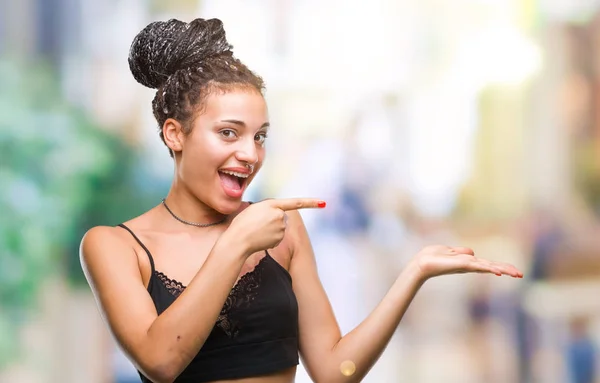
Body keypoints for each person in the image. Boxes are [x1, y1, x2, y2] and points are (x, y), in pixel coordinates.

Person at [80, 17, 524, 383]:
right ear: (174, 133)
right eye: (229, 133)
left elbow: (336, 371)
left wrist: (414, 273)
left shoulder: (282, 230)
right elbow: (160, 362)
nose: (249, 153)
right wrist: (236, 244)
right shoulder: (113, 246)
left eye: (260, 137)